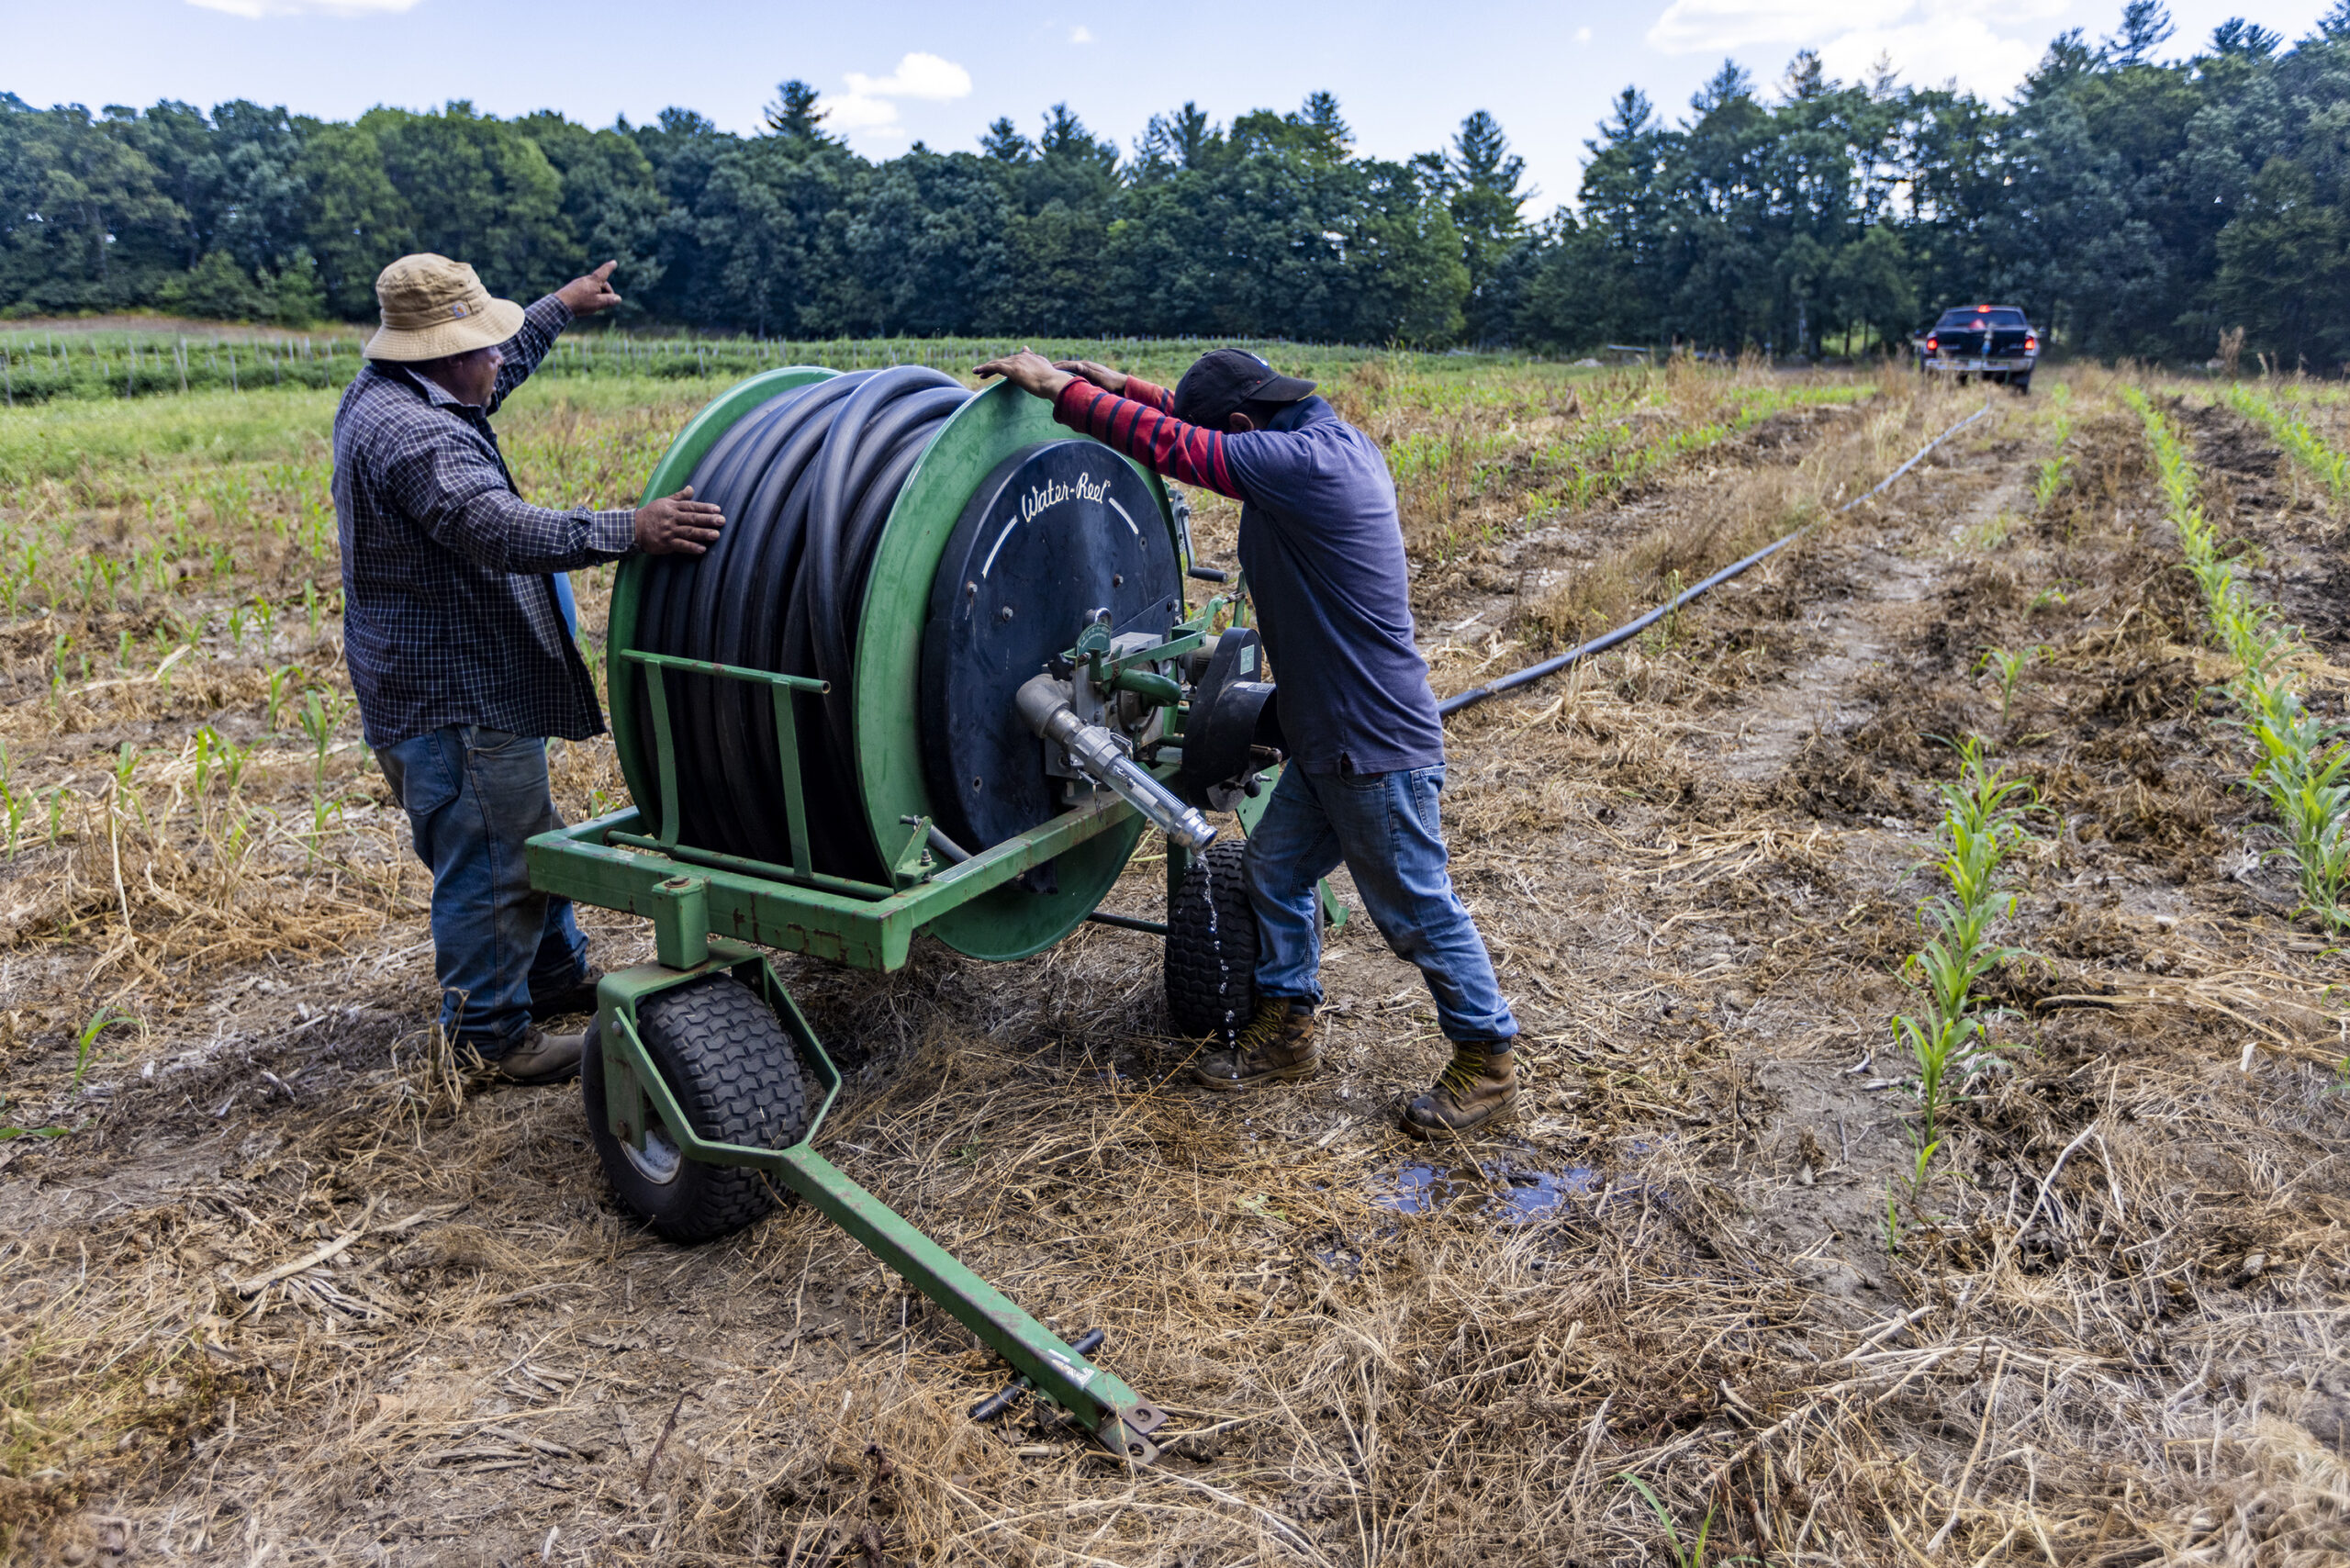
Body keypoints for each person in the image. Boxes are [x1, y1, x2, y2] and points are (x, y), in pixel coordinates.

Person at [973, 347, 1523, 1137]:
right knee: (1275, 870)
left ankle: (1489, 1058)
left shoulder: (1303, 466)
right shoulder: (1325, 439)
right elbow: (1194, 424)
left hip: (1370, 744)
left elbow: (1184, 448)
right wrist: (1121, 386)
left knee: (1416, 911)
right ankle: (1289, 1029)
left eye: (1226, 430)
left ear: (1245, 422)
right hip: (1323, 734)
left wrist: (1059, 390)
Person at [335, 254, 724, 1082]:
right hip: (455, 692)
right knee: (492, 856)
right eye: (486, 346)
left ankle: (550, 979)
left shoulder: (402, 390)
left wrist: (560, 306)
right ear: (442, 357)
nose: (500, 358)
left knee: (525, 833)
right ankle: (490, 1040)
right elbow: (502, 529)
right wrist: (632, 528)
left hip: (455, 678)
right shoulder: (416, 437)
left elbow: (491, 381)